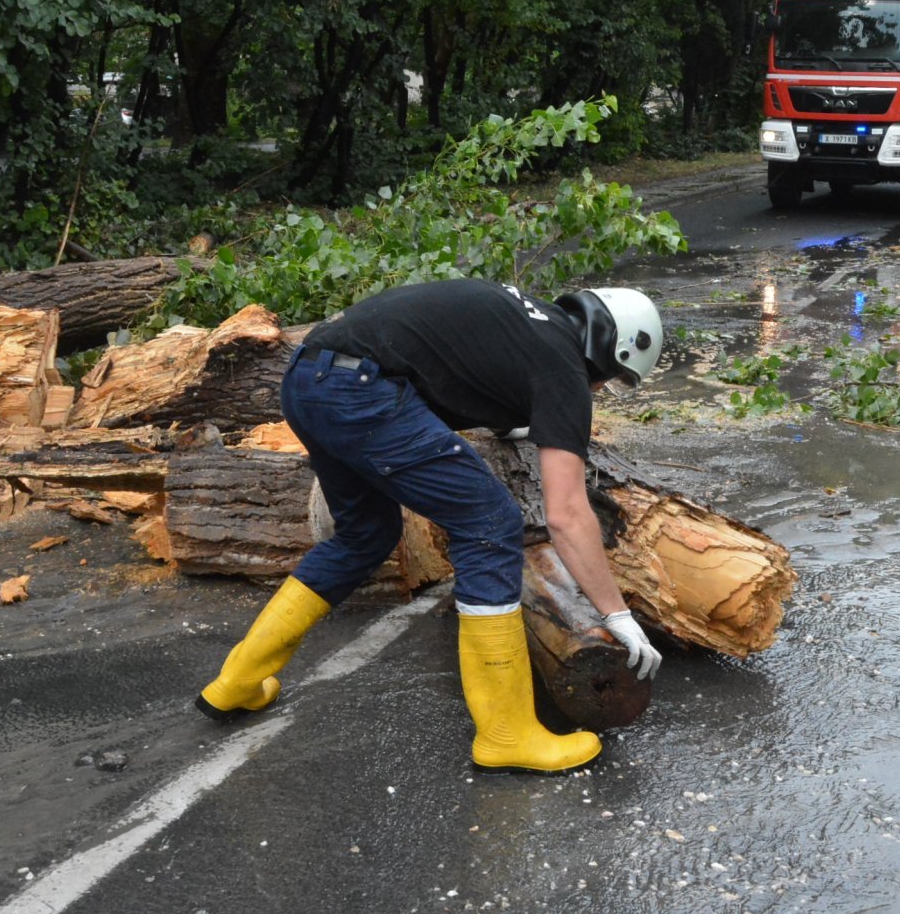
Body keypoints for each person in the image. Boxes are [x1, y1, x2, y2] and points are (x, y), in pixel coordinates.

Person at [195, 278, 664, 774]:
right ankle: (507, 734)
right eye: (609, 378)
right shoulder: (563, 365)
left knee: (364, 536)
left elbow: (470, 372)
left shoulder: (530, 323)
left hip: (308, 378)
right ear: (608, 349)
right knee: (490, 523)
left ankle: (238, 682)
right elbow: (566, 515)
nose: (598, 389)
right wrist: (615, 614)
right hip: (361, 392)